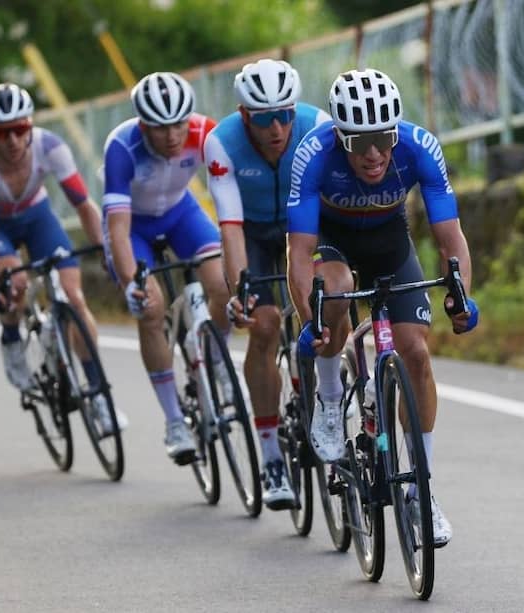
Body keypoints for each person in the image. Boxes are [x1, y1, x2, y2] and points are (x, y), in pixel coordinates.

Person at [286, 68, 479, 547]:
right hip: (331, 240)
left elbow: (450, 238)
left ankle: (422, 491)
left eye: (382, 139)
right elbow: (298, 252)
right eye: (359, 143)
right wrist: (311, 320)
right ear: (340, 137)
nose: (373, 154)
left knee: (416, 353)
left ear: (395, 132)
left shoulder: (420, 147)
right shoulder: (313, 154)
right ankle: (330, 396)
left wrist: (460, 297)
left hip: (389, 241)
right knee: (336, 289)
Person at [0, 82, 123, 435]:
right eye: (1, 133)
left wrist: (106, 250)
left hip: (38, 219)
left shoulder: (50, 146)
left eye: (20, 129)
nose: (12, 140)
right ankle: (11, 338)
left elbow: (84, 206)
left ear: (30, 125)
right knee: (15, 285)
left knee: (74, 299)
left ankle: (98, 394)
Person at [205, 58, 330, 509]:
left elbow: (334, 206)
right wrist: (241, 289)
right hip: (253, 233)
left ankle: (332, 396)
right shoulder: (221, 142)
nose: (277, 128)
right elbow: (230, 226)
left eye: (284, 114)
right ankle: (272, 453)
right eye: (263, 119)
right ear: (244, 116)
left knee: (328, 299)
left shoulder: (318, 127)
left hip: (306, 225)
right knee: (264, 323)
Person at [103, 71, 230, 465]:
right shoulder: (122, 147)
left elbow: (230, 191)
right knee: (151, 308)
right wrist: (132, 283)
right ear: (144, 126)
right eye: (161, 128)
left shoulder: (204, 132)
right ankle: (174, 420)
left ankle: (216, 359)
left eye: (179, 124)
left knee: (223, 284)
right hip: (134, 228)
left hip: (180, 213)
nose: (173, 135)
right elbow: (118, 229)